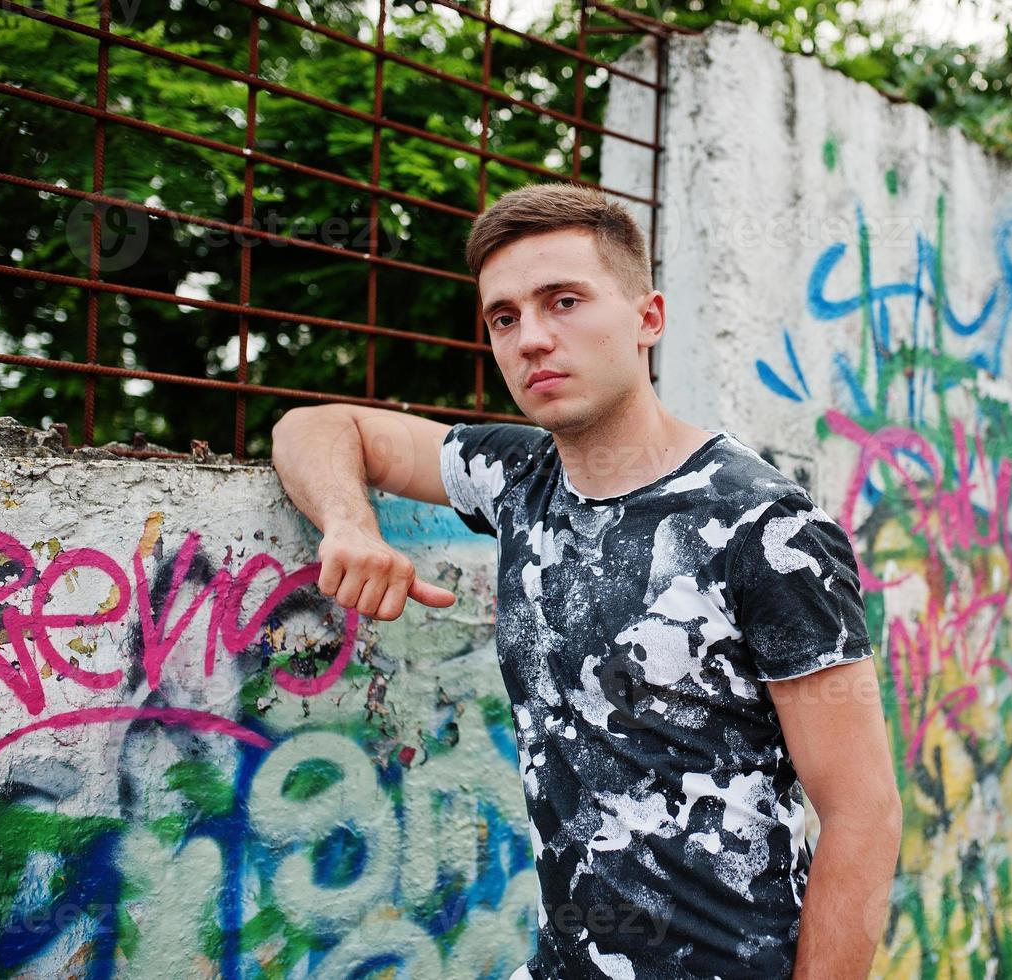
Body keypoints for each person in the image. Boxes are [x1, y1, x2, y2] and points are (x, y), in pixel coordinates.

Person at [270, 183, 902, 979]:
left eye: (563, 301)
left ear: (648, 318)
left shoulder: (764, 528)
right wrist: (349, 524)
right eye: (504, 318)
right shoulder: (519, 479)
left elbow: (862, 814)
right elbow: (316, 427)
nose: (531, 338)